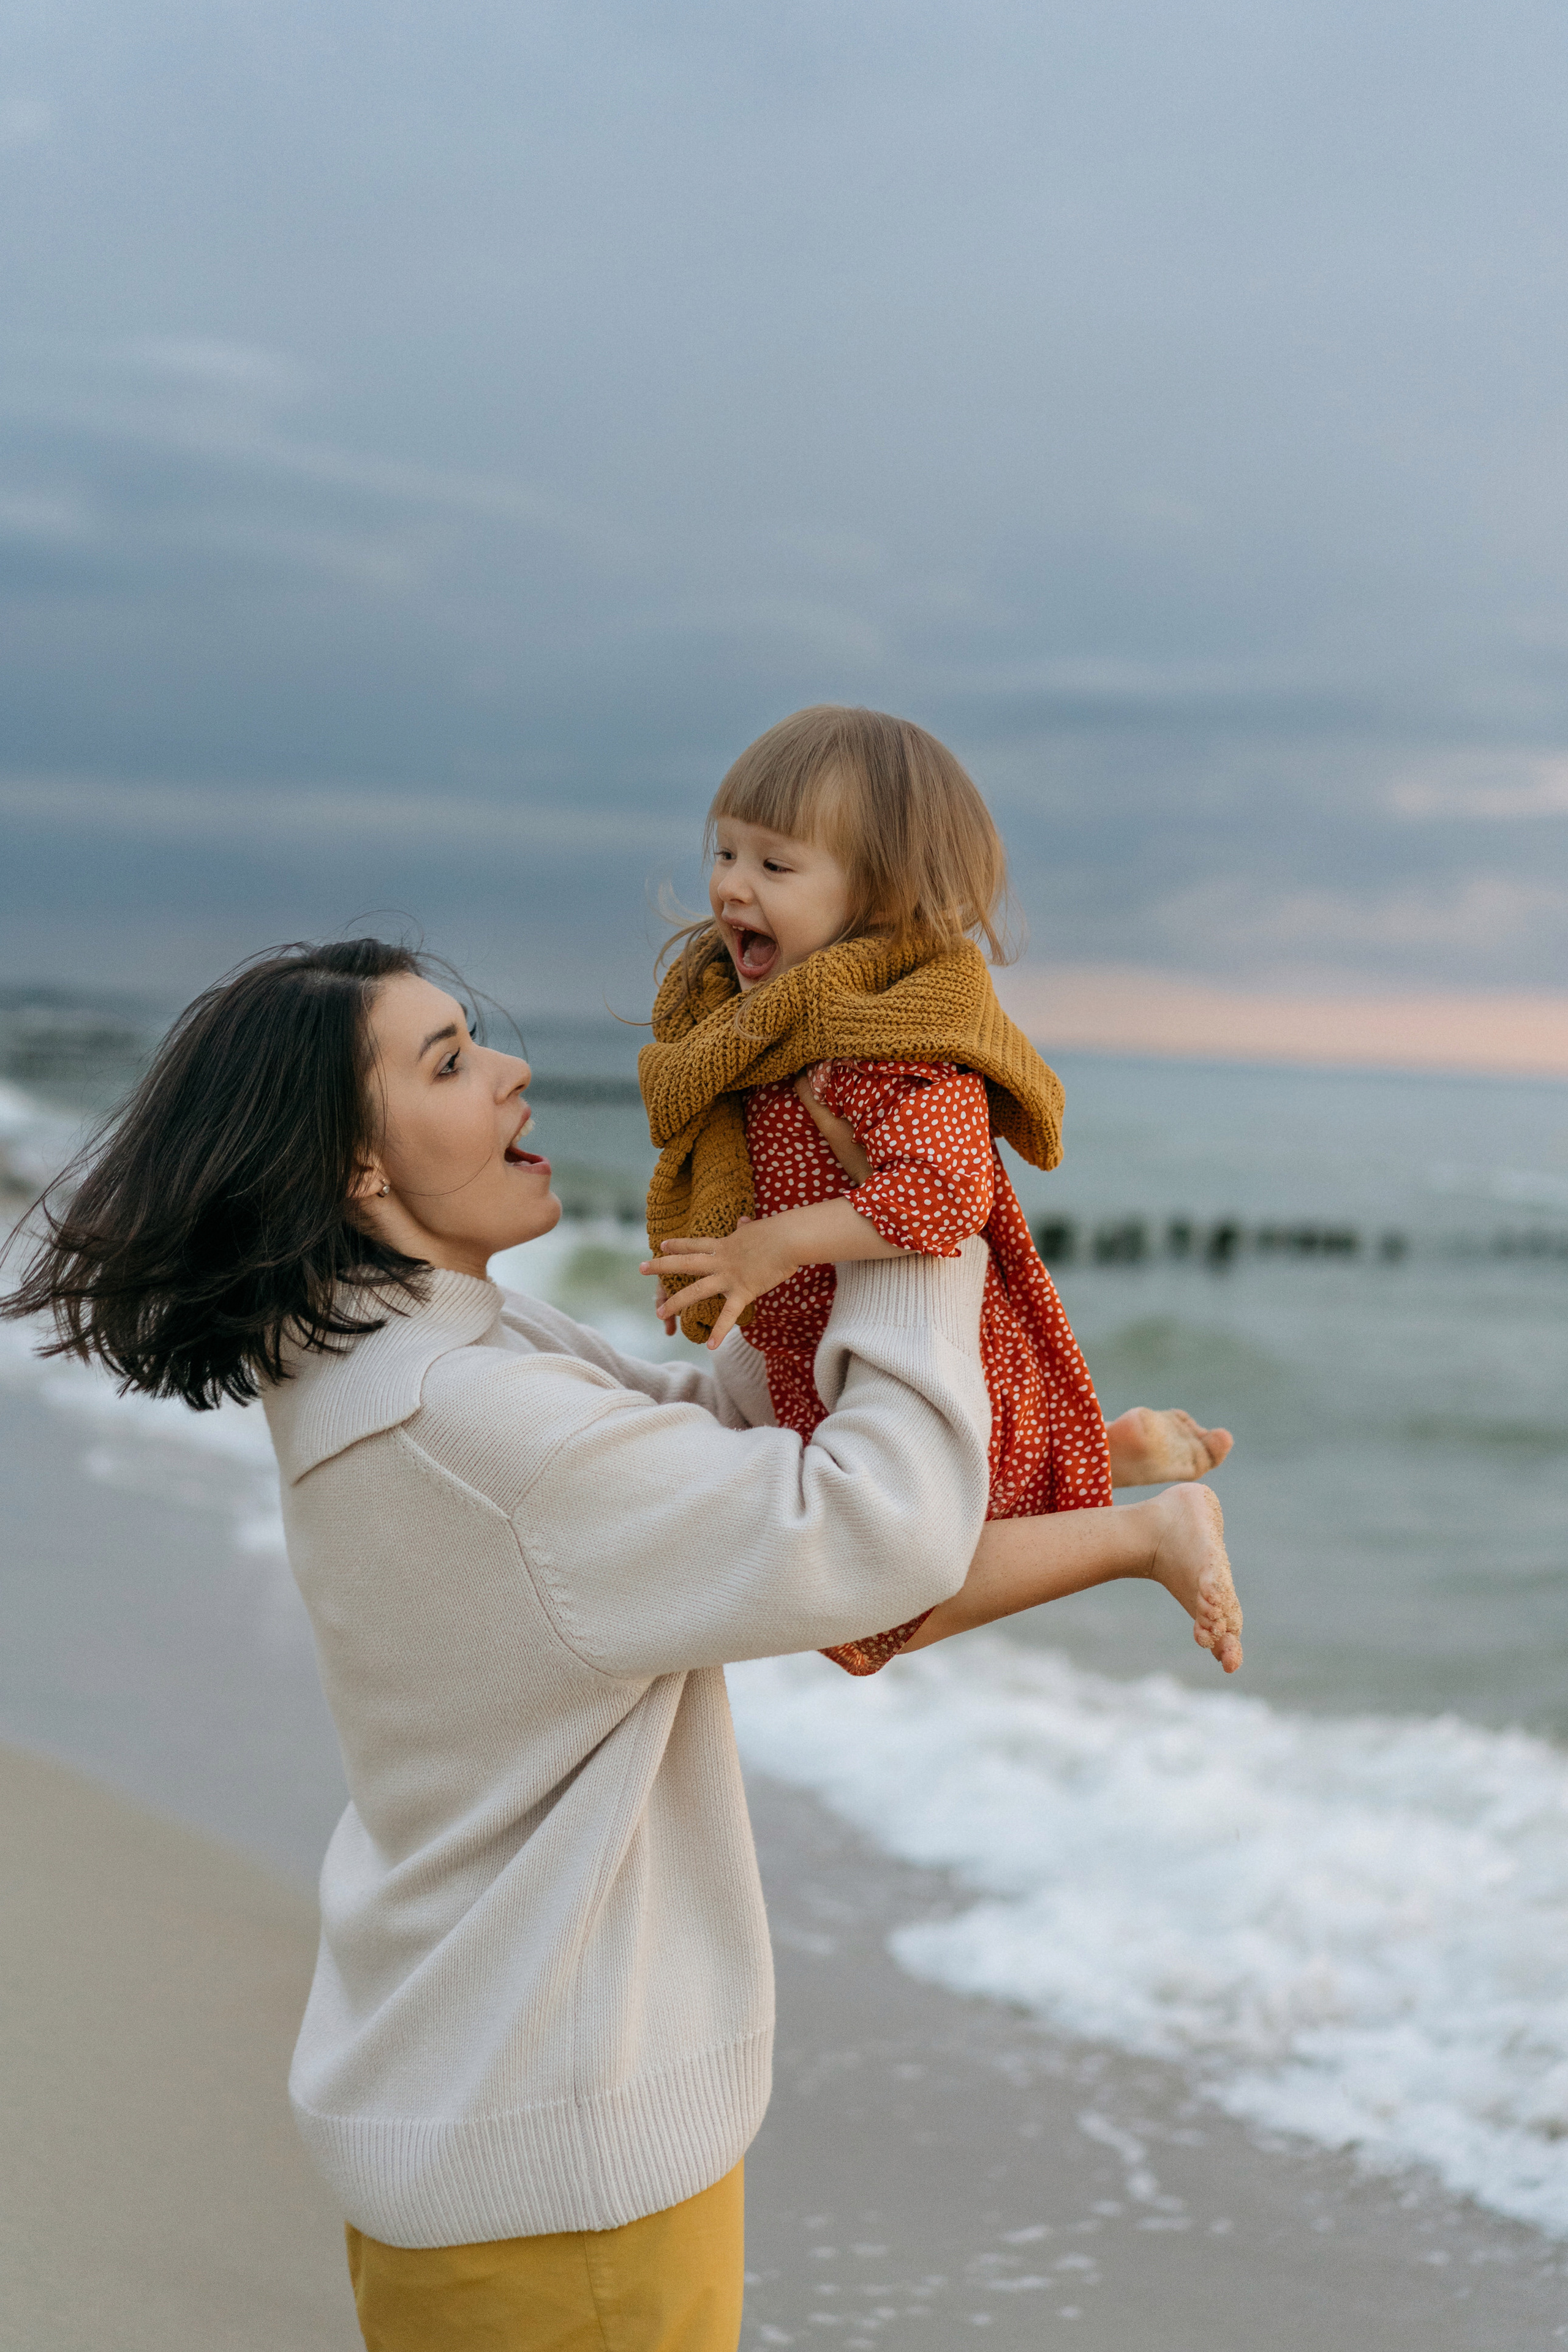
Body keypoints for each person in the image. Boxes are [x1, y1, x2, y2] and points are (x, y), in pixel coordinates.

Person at [3, 938, 1240, 2352]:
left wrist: (807, 1228)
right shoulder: (466, 1423)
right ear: (357, 1166)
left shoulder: (394, 1355)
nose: (514, 1068)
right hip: (558, 2176)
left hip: (483, 2114)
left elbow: (712, 1449)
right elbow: (870, 1531)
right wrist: (920, 1237)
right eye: (449, 1061)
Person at [640, 703, 1233, 1673]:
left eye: (774, 866)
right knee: (784, 1539)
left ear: (880, 900)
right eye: (728, 852)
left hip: (899, 1349)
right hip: (813, 1345)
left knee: (862, 1615)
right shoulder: (773, 1019)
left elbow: (941, 1199)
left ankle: (1153, 1531)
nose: (731, 886)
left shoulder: (892, 1041)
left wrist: (768, 1247)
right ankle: (1097, 1453)